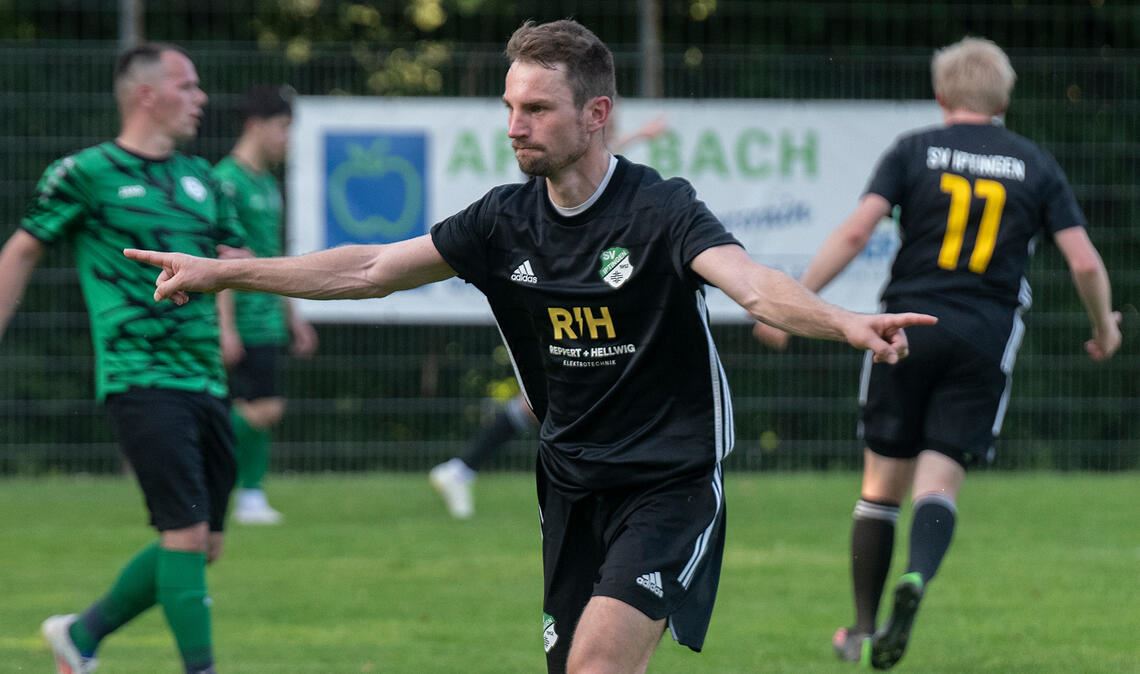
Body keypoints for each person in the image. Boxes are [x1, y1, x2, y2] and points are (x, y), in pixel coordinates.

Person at [124, 20, 934, 674]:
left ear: (595, 113)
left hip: (670, 480)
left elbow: (753, 285)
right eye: (510, 107)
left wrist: (845, 323)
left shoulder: (660, 209)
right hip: (570, 483)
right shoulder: (502, 220)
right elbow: (371, 268)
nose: (516, 126)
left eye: (537, 109)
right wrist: (226, 276)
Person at [753, 37, 1121, 670]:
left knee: (879, 488)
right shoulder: (1034, 163)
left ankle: (863, 630)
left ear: (942, 95)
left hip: (902, 330)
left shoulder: (913, 150)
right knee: (939, 482)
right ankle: (917, 576)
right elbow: (1084, 261)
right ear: (1004, 98)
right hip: (983, 336)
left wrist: (798, 304)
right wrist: (1105, 330)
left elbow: (855, 231)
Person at [0, 43, 245, 674]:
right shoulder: (85, 172)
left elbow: (228, 264)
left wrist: (226, 330)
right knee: (185, 536)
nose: (201, 97)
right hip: (139, 376)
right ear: (147, 95)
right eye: (187, 85)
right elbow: (22, 250)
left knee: (203, 544)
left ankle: (81, 637)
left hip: (206, 379)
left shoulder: (206, 181)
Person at [428, 112, 668, 520]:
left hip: (559, 298)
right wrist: (637, 137)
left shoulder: (582, 180)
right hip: (545, 298)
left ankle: (463, 468)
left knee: (547, 401)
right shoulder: (548, 188)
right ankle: (464, 467)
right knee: (552, 398)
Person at [214, 84, 318, 525]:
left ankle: (251, 494)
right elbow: (218, 259)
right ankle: (216, 459)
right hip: (241, 316)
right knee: (263, 408)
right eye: (282, 129)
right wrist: (225, 326)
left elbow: (273, 258)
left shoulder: (268, 186)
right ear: (255, 126)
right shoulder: (226, 181)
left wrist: (293, 316)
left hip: (268, 315)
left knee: (265, 408)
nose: (287, 139)